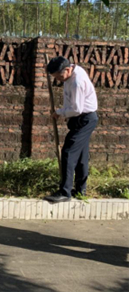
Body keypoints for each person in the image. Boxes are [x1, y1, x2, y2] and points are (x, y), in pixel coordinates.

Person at [44, 56, 98, 203]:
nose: (58, 79)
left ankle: (65, 192)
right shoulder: (72, 71)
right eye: (55, 77)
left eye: (59, 76)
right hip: (82, 119)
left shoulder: (77, 82)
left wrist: (59, 112)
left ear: (67, 70)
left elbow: (76, 109)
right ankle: (81, 190)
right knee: (81, 156)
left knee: (68, 152)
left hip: (84, 119)